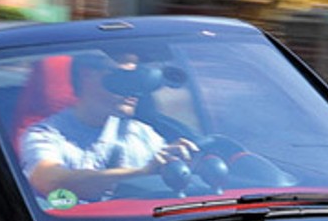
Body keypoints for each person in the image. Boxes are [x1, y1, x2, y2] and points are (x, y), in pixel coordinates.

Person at [20, 52, 196, 204]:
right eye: (126, 78)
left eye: (139, 78)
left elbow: (170, 177)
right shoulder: (45, 135)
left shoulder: (143, 134)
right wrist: (141, 173)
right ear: (87, 75)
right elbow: (50, 181)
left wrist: (187, 164)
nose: (135, 89)